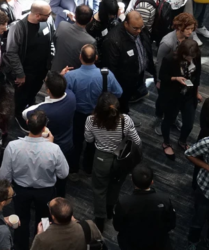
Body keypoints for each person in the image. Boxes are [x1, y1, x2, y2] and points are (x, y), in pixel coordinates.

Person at [0, 111, 68, 250]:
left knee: (20, 219)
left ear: (27, 124)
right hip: (45, 191)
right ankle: (41, 244)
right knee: (44, 220)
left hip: (20, 190)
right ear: (44, 128)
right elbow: (63, 174)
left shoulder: (13, 146)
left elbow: (4, 176)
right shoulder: (54, 149)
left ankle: (21, 246)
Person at [85, 93, 141, 231]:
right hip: (120, 160)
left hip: (101, 159)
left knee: (99, 189)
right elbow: (137, 141)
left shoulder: (91, 120)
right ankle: (110, 210)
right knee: (115, 186)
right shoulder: (125, 120)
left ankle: (99, 219)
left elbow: (89, 140)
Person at [3, 1, 55, 120]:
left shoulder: (48, 20)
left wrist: (51, 57)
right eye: (47, 14)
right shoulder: (18, 27)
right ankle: (18, 114)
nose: (50, 16)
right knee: (21, 96)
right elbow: (11, 52)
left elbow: (52, 39)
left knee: (33, 91)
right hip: (26, 72)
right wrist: (20, 74)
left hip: (42, 69)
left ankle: (30, 104)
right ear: (37, 15)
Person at [100, 11, 154, 113]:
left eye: (141, 27)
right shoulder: (113, 41)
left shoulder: (140, 29)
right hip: (123, 83)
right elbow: (111, 69)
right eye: (135, 28)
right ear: (126, 24)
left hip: (137, 76)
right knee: (122, 105)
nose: (139, 31)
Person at [113, 165, 176, 250]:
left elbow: (117, 226)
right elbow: (171, 224)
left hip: (132, 243)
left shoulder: (123, 203)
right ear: (152, 182)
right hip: (158, 243)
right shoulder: (164, 200)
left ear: (132, 180)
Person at [158, 38, 202, 159]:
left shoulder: (196, 56)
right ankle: (166, 143)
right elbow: (162, 76)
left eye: (192, 57)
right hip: (173, 95)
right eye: (187, 57)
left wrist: (196, 92)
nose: (190, 59)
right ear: (182, 53)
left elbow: (197, 75)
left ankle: (182, 141)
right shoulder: (170, 59)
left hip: (189, 94)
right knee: (168, 120)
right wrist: (176, 78)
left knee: (189, 124)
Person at [30, 197, 102, 250]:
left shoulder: (42, 238)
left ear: (53, 217)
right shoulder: (89, 225)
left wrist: (39, 234)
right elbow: (99, 240)